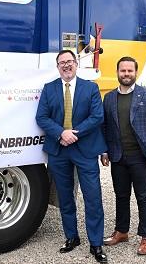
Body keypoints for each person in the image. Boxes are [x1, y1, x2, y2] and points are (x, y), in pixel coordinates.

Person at [36, 49, 109, 263]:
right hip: (59, 150)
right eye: (61, 63)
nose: (66, 65)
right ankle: (71, 237)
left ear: (76, 64)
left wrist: (73, 133)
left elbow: (97, 116)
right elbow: (42, 117)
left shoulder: (91, 87)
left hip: (85, 150)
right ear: (58, 67)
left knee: (93, 198)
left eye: (69, 61)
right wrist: (61, 133)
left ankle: (96, 243)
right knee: (65, 198)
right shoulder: (49, 89)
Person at [102, 56, 146, 256]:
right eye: (123, 71)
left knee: (143, 197)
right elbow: (105, 127)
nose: (126, 74)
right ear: (117, 72)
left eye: (130, 71)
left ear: (135, 72)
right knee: (121, 196)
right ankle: (122, 231)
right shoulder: (109, 98)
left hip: (140, 157)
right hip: (118, 156)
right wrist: (104, 151)